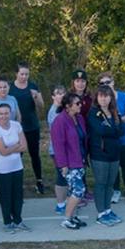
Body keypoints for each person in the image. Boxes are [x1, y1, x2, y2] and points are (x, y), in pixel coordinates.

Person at [50, 90, 88, 231]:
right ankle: (66, 219)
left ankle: (73, 216)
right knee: (78, 191)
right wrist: (63, 165)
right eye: (77, 103)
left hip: (80, 160)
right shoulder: (59, 121)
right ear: (68, 106)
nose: (80, 105)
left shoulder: (79, 118)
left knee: (75, 191)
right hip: (70, 163)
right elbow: (58, 145)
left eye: (81, 102)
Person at [0, 100, 28, 232]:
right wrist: (15, 146)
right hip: (2, 170)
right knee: (6, 197)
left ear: (10, 113)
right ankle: (7, 222)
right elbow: (2, 151)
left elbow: (24, 146)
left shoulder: (16, 125)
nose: (4, 116)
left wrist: (10, 148)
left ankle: (18, 220)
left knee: (18, 196)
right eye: (1, 114)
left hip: (17, 167)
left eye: (6, 113)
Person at [88, 85, 125, 227]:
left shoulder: (114, 112)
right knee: (101, 183)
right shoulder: (93, 113)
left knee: (110, 184)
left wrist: (112, 130)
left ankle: (108, 209)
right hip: (99, 154)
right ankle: (101, 213)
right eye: (101, 96)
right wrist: (113, 130)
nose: (103, 98)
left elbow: (121, 130)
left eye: (106, 95)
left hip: (114, 153)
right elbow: (100, 130)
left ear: (111, 97)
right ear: (97, 98)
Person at [100, 72, 125, 204]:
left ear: (113, 82)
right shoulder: (102, 99)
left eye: (108, 82)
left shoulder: (123, 96)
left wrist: (115, 120)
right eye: (102, 83)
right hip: (111, 140)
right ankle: (115, 190)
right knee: (114, 165)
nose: (106, 85)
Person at [9, 64, 46, 195]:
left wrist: (35, 97)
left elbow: (41, 106)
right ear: (16, 74)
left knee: (34, 154)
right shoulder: (10, 88)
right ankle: (16, 182)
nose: (24, 77)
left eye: (26, 74)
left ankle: (39, 181)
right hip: (15, 127)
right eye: (22, 74)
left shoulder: (33, 86)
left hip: (32, 125)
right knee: (16, 155)